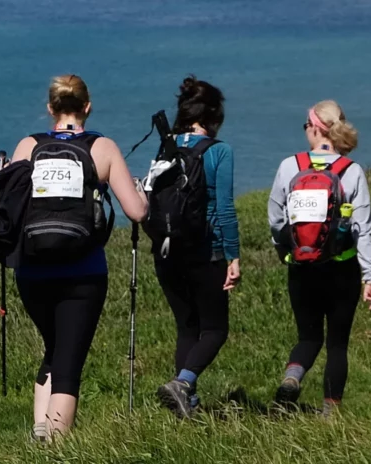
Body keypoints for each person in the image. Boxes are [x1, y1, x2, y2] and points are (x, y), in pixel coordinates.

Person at [0, 74, 148, 442]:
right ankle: (57, 449)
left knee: (56, 347)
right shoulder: (103, 148)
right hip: (83, 270)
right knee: (69, 362)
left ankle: (40, 432)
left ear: (50, 108)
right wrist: (143, 194)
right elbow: (136, 212)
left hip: (32, 268)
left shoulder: (28, 146)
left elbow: (9, 202)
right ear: (87, 106)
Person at [265, 100, 371, 417]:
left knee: (308, 335)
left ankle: (292, 377)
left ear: (316, 128)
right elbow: (362, 229)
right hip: (341, 267)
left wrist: (285, 250)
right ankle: (330, 415)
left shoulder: (290, 166)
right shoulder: (352, 171)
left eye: (305, 125)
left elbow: (275, 220)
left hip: (301, 267)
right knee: (337, 344)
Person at [150, 76, 241, 418]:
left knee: (186, 327)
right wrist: (233, 255)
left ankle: (186, 405)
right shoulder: (219, 151)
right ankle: (184, 383)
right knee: (215, 329)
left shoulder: (166, 146)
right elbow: (225, 209)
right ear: (214, 115)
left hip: (168, 251)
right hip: (207, 251)